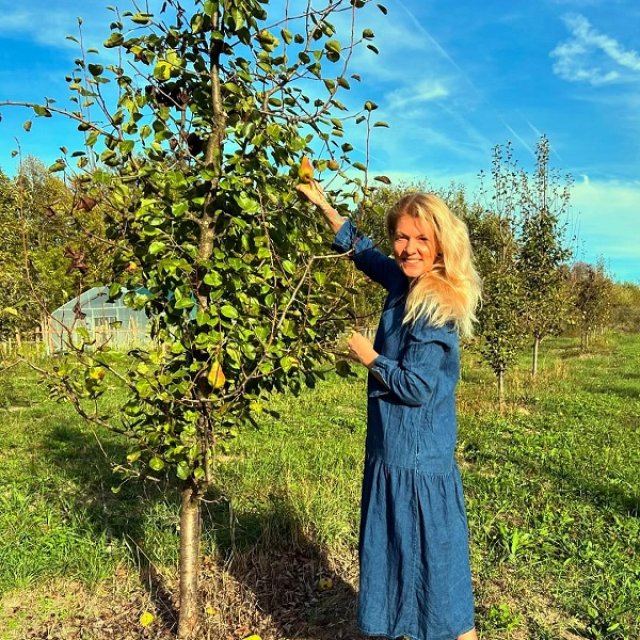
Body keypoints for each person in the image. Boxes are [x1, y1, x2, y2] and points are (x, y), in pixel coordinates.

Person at [296, 181, 482, 640]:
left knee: (435, 582)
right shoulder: (405, 281)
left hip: (415, 465)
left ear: (440, 244)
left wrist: (370, 357)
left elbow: (417, 386)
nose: (408, 248)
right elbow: (366, 254)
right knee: (410, 569)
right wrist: (324, 205)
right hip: (395, 453)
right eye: (402, 236)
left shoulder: (434, 304)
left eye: (421, 238)